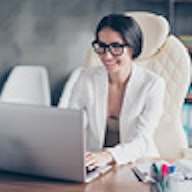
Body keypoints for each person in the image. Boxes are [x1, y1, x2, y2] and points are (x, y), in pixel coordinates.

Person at [66, 14, 165, 170]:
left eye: (116, 47)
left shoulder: (152, 84)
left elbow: (142, 140)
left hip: (138, 164)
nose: (107, 55)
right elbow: (69, 125)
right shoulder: (86, 78)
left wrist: (108, 156)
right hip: (96, 165)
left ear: (132, 48)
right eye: (102, 46)